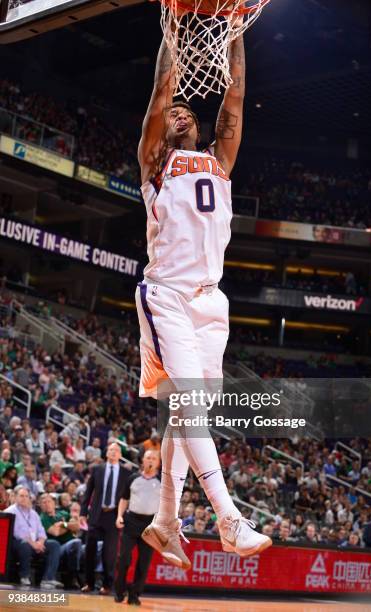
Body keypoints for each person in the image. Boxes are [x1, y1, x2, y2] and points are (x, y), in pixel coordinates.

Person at [136, 19, 271, 571]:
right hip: (166, 293)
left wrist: (235, 25)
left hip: (212, 303)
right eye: (174, 114)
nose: (181, 111)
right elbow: (159, 97)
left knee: (187, 418)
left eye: (188, 110)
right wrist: (170, 29)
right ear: (163, 131)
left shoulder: (220, 161)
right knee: (189, 407)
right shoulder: (155, 163)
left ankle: (166, 519)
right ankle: (227, 517)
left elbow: (234, 92)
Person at [80, 442, 128, 594]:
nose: (113, 452)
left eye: (117, 450)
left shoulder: (126, 473)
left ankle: (107, 585)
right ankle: (89, 583)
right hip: (96, 514)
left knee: (110, 553)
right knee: (90, 550)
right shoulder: (97, 469)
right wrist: (82, 512)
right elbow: (88, 492)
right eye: (111, 450)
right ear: (106, 453)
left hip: (113, 515)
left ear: (120, 455)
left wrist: (123, 516)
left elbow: (128, 497)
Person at [114, 450, 161, 606]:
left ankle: (134, 595)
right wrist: (119, 516)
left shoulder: (163, 481)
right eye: (148, 457)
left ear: (158, 463)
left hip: (151, 524)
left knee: (144, 562)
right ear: (142, 461)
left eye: (154, 458)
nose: (150, 460)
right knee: (124, 559)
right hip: (131, 521)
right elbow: (124, 498)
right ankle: (119, 592)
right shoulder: (133, 478)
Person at [6, 486, 62, 589]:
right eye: (21, 496)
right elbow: (18, 533)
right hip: (17, 544)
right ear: (16, 497)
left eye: (26, 496)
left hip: (36, 543)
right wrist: (34, 544)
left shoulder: (34, 513)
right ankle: (24, 576)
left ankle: (48, 579)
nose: (24, 498)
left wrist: (40, 542)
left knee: (54, 544)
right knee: (24, 544)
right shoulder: (10, 511)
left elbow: (41, 532)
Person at [40, 494, 83, 589]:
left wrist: (63, 524)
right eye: (44, 503)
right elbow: (56, 532)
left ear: (54, 503)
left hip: (72, 545)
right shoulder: (43, 518)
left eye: (49, 501)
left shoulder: (63, 513)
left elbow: (77, 526)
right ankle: (73, 577)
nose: (47, 504)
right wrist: (69, 527)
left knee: (97, 546)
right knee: (76, 543)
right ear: (41, 505)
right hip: (58, 547)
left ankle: (96, 581)